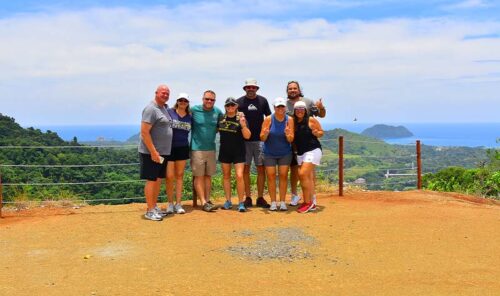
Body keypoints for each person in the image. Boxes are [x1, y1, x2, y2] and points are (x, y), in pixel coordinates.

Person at [285, 81, 326, 207]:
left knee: (307, 172)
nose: (292, 90)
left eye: (295, 88)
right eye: (290, 88)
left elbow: (322, 115)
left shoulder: (308, 101)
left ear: (299, 89)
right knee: (294, 170)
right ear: (287, 90)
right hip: (293, 142)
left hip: (309, 143)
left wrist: (321, 107)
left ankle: (311, 198)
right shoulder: (284, 104)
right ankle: (295, 195)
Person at [139, 84, 173, 221]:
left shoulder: (163, 108)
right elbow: (144, 132)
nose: (165, 95)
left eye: (167, 93)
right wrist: (153, 151)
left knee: (158, 180)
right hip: (151, 152)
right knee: (151, 180)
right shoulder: (151, 109)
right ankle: (150, 210)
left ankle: (154, 206)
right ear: (156, 93)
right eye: (163, 93)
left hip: (162, 152)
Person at [236, 78, 272, 208]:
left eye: (253, 87)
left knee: (260, 169)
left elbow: (268, 118)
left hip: (260, 141)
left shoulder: (263, 101)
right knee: (245, 169)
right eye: (248, 87)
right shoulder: (239, 102)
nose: (251, 89)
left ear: (257, 88)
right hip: (243, 141)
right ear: (245, 89)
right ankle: (248, 198)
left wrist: (267, 135)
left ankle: (260, 197)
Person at [190, 90, 223, 212]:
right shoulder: (194, 110)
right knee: (199, 176)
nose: (209, 101)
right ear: (202, 98)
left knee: (208, 176)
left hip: (211, 148)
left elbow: (222, 125)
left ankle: (207, 200)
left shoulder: (218, 112)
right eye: (207, 99)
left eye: (212, 99)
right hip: (197, 148)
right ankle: (203, 202)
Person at [260, 97, 294, 211]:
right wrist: (265, 133)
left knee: (284, 176)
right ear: (274, 107)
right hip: (269, 152)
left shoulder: (289, 120)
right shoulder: (268, 119)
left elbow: (291, 139)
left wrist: (288, 134)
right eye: (278, 106)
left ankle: (283, 202)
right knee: (271, 176)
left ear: (285, 107)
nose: (280, 108)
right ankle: (273, 202)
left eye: (282, 106)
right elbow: (262, 138)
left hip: (285, 152)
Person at [218, 97, 251, 212]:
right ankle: (228, 201)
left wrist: (243, 125)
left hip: (239, 151)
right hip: (224, 151)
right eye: (228, 105)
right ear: (225, 107)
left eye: (233, 105)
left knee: (239, 176)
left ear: (236, 106)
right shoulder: (221, 118)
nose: (230, 107)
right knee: (226, 176)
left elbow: (247, 136)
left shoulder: (241, 118)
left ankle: (241, 202)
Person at [292, 101, 324, 213]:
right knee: (308, 178)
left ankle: (307, 202)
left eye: (302, 108)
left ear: (305, 110)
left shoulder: (310, 120)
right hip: (301, 153)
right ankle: (311, 202)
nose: (299, 111)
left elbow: (321, 132)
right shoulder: (293, 122)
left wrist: (316, 133)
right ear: (294, 111)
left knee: (302, 174)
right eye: (297, 109)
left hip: (313, 150)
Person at [165, 93, 192, 215]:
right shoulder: (169, 112)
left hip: (182, 147)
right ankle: (170, 203)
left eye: (185, 100)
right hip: (169, 147)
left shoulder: (190, 117)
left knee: (180, 175)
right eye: (180, 100)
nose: (182, 102)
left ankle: (178, 203)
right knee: (170, 176)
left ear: (188, 103)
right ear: (177, 101)